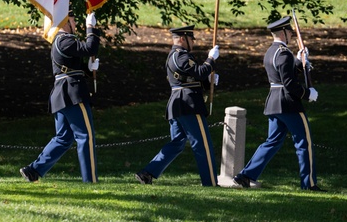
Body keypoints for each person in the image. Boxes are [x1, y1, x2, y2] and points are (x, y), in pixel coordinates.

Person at [231, 15, 323, 191]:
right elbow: (289, 84)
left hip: (274, 103)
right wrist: (307, 93)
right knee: (304, 143)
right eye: (290, 32)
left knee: (271, 142)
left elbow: (282, 73)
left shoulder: (272, 52)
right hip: (289, 104)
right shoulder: (283, 54)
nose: (292, 36)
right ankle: (309, 183)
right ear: (283, 33)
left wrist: (299, 60)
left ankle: (246, 175)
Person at [20, 12, 101, 183]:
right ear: (65, 22)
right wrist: (90, 28)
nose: (76, 23)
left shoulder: (62, 41)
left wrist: (88, 68)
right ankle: (90, 179)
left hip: (63, 94)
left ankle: (34, 170)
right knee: (86, 136)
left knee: (63, 138)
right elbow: (89, 48)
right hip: (71, 93)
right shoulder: (64, 39)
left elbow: (70, 66)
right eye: (73, 20)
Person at [135, 25, 220, 187]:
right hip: (188, 104)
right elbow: (199, 71)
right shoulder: (180, 56)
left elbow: (191, 77)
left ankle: (148, 172)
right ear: (182, 39)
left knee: (177, 143)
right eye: (191, 39)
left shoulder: (178, 56)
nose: (193, 43)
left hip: (178, 104)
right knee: (203, 144)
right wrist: (211, 60)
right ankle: (210, 182)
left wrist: (208, 81)